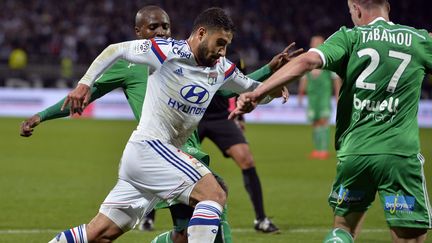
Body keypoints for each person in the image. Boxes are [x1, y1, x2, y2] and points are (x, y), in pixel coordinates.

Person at [46, 7, 286, 243]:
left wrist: (273, 89)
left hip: (149, 160)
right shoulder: (166, 50)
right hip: (150, 148)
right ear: (201, 33)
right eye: (219, 43)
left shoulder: (221, 68)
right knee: (213, 194)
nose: (222, 51)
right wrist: (84, 84)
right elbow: (115, 50)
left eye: (226, 46)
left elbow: (253, 90)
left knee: (99, 233)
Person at [21, 6, 229, 243]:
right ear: (138, 32)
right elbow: (85, 95)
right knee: (213, 202)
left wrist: (270, 74)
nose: (161, 31)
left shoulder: (189, 59)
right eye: (153, 27)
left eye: (165, 26)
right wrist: (42, 115)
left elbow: (236, 86)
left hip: (183, 155)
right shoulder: (130, 65)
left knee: (174, 233)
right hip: (159, 157)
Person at [230, 0, 432, 242]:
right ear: (387, 5)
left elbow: (306, 61)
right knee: (408, 236)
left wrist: (257, 93)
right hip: (399, 155)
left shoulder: (348, 37)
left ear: (356, 8)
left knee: (343, 230)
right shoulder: (419, 39)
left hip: (355, 155)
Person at [198, 48, 294, 233]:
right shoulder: (196, 55)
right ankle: (149, 218)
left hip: (221, 117)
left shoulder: (234, 59)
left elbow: (237, 89)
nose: (223, 45)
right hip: (194, 117)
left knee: (247, 160)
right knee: (172, 162)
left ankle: (261, 219)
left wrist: (240, 118)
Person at [298, 35, 341, 160]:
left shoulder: (328, 61)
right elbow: (304, 79)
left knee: (323, 121)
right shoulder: (308, 62)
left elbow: (336, 81)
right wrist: (301, 94)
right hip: (312, 98)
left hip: (324, 97)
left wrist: (338, 96)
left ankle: (324, 150)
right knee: (315, 122)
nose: (315, 44)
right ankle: (317, 149)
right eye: (313, 42)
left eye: (317, 42)